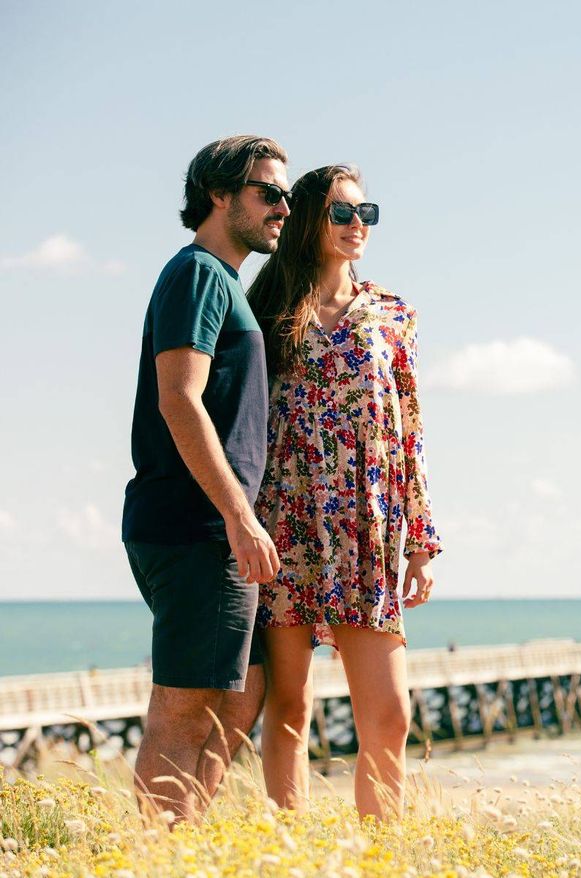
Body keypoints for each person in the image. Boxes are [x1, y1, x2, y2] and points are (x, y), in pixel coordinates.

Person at [248, 164, 442, 820]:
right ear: (309, 218)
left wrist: (420, 538)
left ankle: (382, 859)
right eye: (342, 212)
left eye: (367, 213)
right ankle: (286, 852)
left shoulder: (393, 313)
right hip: (287, 522)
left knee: (390, 717)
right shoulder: (270, 308)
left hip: (367, 529)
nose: (359, 224)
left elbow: (410, 429)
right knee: (290, 709)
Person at [122, 135, 291, 821]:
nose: (284, 207)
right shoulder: (197, 274)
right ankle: (153, 858)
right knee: (186, 709)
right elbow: (178, 397)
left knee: (237, 697)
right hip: (195, 526)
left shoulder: (225, 281)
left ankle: (185, 843)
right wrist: (239, 516)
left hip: (211, 527)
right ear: (220, 195)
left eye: (286, 194)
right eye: (268, 193)